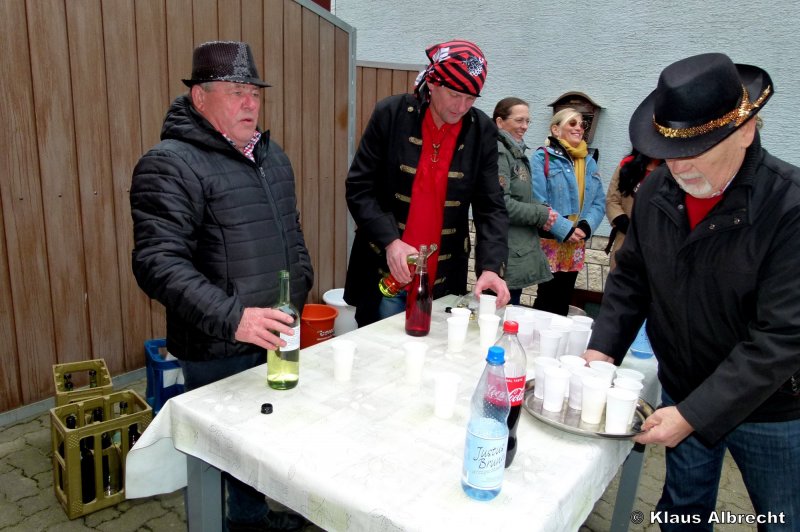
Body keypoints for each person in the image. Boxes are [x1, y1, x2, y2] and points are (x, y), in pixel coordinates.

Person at [585, 53, 800, 530]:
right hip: (682, 388)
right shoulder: (657, 189)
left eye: (697, 150)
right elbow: (631, 279)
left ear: (745, 131)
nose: (678, 167)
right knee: (681, 515)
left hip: (771, 406)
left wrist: (694, 414)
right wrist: (602, 350)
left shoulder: (790, 206)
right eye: (668, 150)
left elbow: (782, 336)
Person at [130, 41, 311, 532]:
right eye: (236, 93)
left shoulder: (272, 158)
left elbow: (291, 234)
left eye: (255, 93)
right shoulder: (170, 163)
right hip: (217, 344)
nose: (250, 103)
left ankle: (252, 519)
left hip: (275, 331)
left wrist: (300, 285)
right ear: (200, 97)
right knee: (220, 451)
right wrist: (235, 318)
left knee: (264, 436)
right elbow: (157, 262)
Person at [344, 40, 510, 326]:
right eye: (455, 95)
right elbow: (359, 187)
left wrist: (491, 267)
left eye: (471, 98)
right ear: (433, 83)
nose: (461, 107)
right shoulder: (391, 114)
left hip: (443, 277)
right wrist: (390, 241)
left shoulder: (482, 130)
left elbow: (491, 206)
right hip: (386, 271)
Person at [530, 108, 606, 315]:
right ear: (556, 129)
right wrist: (565, 229)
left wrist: (585, 227)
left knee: (564, 299)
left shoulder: (589, 161)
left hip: (576, 242)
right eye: (572, 123)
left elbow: (599, 201)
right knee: (546, 299)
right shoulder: (541, 157)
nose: (579, 128)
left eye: (582, 124)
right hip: (550, 238)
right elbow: (538, 200)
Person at [493, 97, 556, 305]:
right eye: (519, 120)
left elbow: (523, 197)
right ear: (500, 122)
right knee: (502, 314)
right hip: (505, 251)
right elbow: (502, 204)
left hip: (516, 250)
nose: (525, 126)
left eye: (528, 121)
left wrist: (543, 210)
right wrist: (541, 214)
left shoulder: (515, 151)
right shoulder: (500, 153)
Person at [604, 148, 661, 270]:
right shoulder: (627, 165)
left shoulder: (673, 171)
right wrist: (629, 228)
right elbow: (612, 200)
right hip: (626, 239)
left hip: (657, 244)